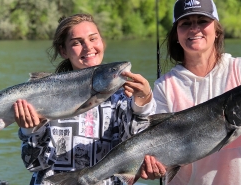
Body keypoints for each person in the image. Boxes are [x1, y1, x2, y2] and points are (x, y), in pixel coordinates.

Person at [13, 13, 154, 185]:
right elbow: (34, 164)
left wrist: (142, 105)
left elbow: (136, 153)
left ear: (102, 42)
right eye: (77, 42)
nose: (88, 47)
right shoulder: (45, 97)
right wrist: (30, 131)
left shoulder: (124, 96)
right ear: (63, 50)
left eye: (93, 39)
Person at [140, 0, 241, 184]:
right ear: (176, 34)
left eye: (202, 20)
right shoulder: (164, 86)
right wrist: (154, 166)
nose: (194, 28)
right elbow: (158, 155)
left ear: (217, 30)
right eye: (186, 23)